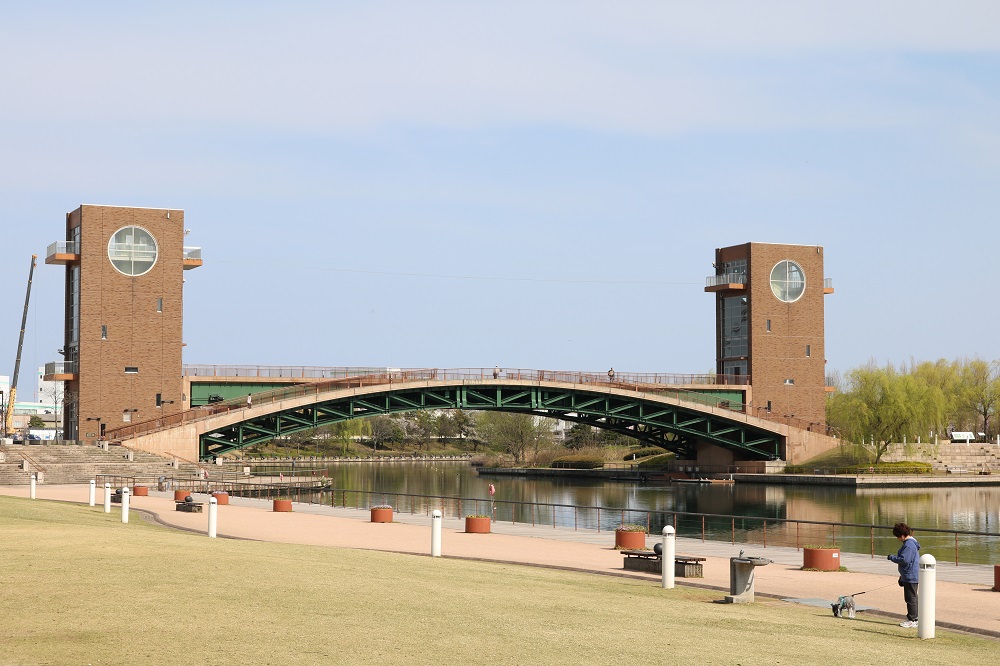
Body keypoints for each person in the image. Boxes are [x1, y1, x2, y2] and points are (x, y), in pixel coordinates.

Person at [887, 522, 920, 628]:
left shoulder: (909, 544)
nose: (897, 539)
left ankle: (912, 619)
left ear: (901, 535)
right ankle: (915, 618)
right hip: (909, 574)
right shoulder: (911, 543)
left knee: (910, 598)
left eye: (897, 536)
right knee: (912, 597)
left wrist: (892, 557)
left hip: (911, 575)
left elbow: (905, 560)